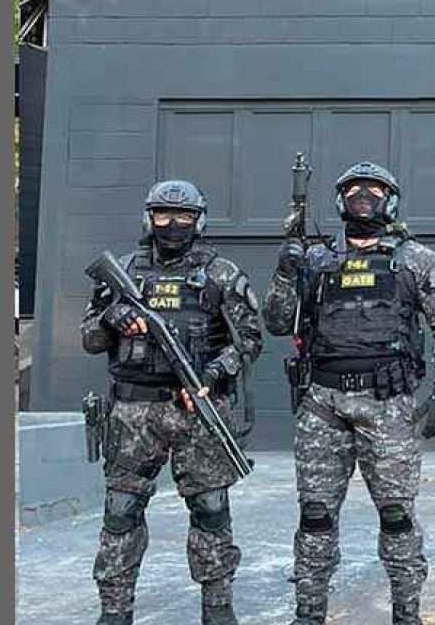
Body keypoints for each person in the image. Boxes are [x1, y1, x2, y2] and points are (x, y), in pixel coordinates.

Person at [263, 161, 435, 625]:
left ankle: (406, 614)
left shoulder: (415, 260)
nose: (362, 195)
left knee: (397, 516)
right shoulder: (317, 259)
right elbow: (276, 322)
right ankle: (308, 614)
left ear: (390, 199)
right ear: (338, 201)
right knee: (315, 517)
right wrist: (283, 270)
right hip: (322, 406)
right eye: (353, 188)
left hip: (388, 407)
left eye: (373, 189)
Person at [81, 180, 262, 625]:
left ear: (198, 221)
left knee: (211, 509)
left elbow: (250, 341)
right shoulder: (124, 271)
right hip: (132, 412)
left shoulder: (222, 275)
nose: (173, 224)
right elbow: (89, 337)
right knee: (121, 511)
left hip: (197, 408)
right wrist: (112, 316)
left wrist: (213, 374)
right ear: (149, 219)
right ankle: (114, 611)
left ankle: (218, 609)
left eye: (183, 216)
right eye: (163, 215)